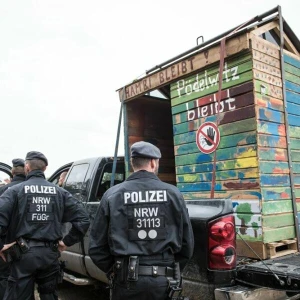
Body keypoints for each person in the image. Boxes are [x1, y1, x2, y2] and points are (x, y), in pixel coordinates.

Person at [89, 141, 194, 300]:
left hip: (126, 282)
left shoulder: (112, 195)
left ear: (132, 163)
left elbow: (96, 247)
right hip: (164, 282)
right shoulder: (174, 195)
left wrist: (116, 270)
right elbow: (187, 244)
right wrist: (170, 268)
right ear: (153, 162)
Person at [0, 151, 90, 300]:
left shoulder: (14, 191)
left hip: (23, 255)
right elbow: (83, 220)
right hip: (50, 254)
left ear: (27, 167)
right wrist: (66, 242)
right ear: (45, 169)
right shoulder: (61, 193)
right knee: (49, 295)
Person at [0, 158, 26, 299]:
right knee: (27, 280)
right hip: (30, 245)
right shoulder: (32, 189)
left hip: (6, 246)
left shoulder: (3, 190)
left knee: (4, 279)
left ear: (12, 172)